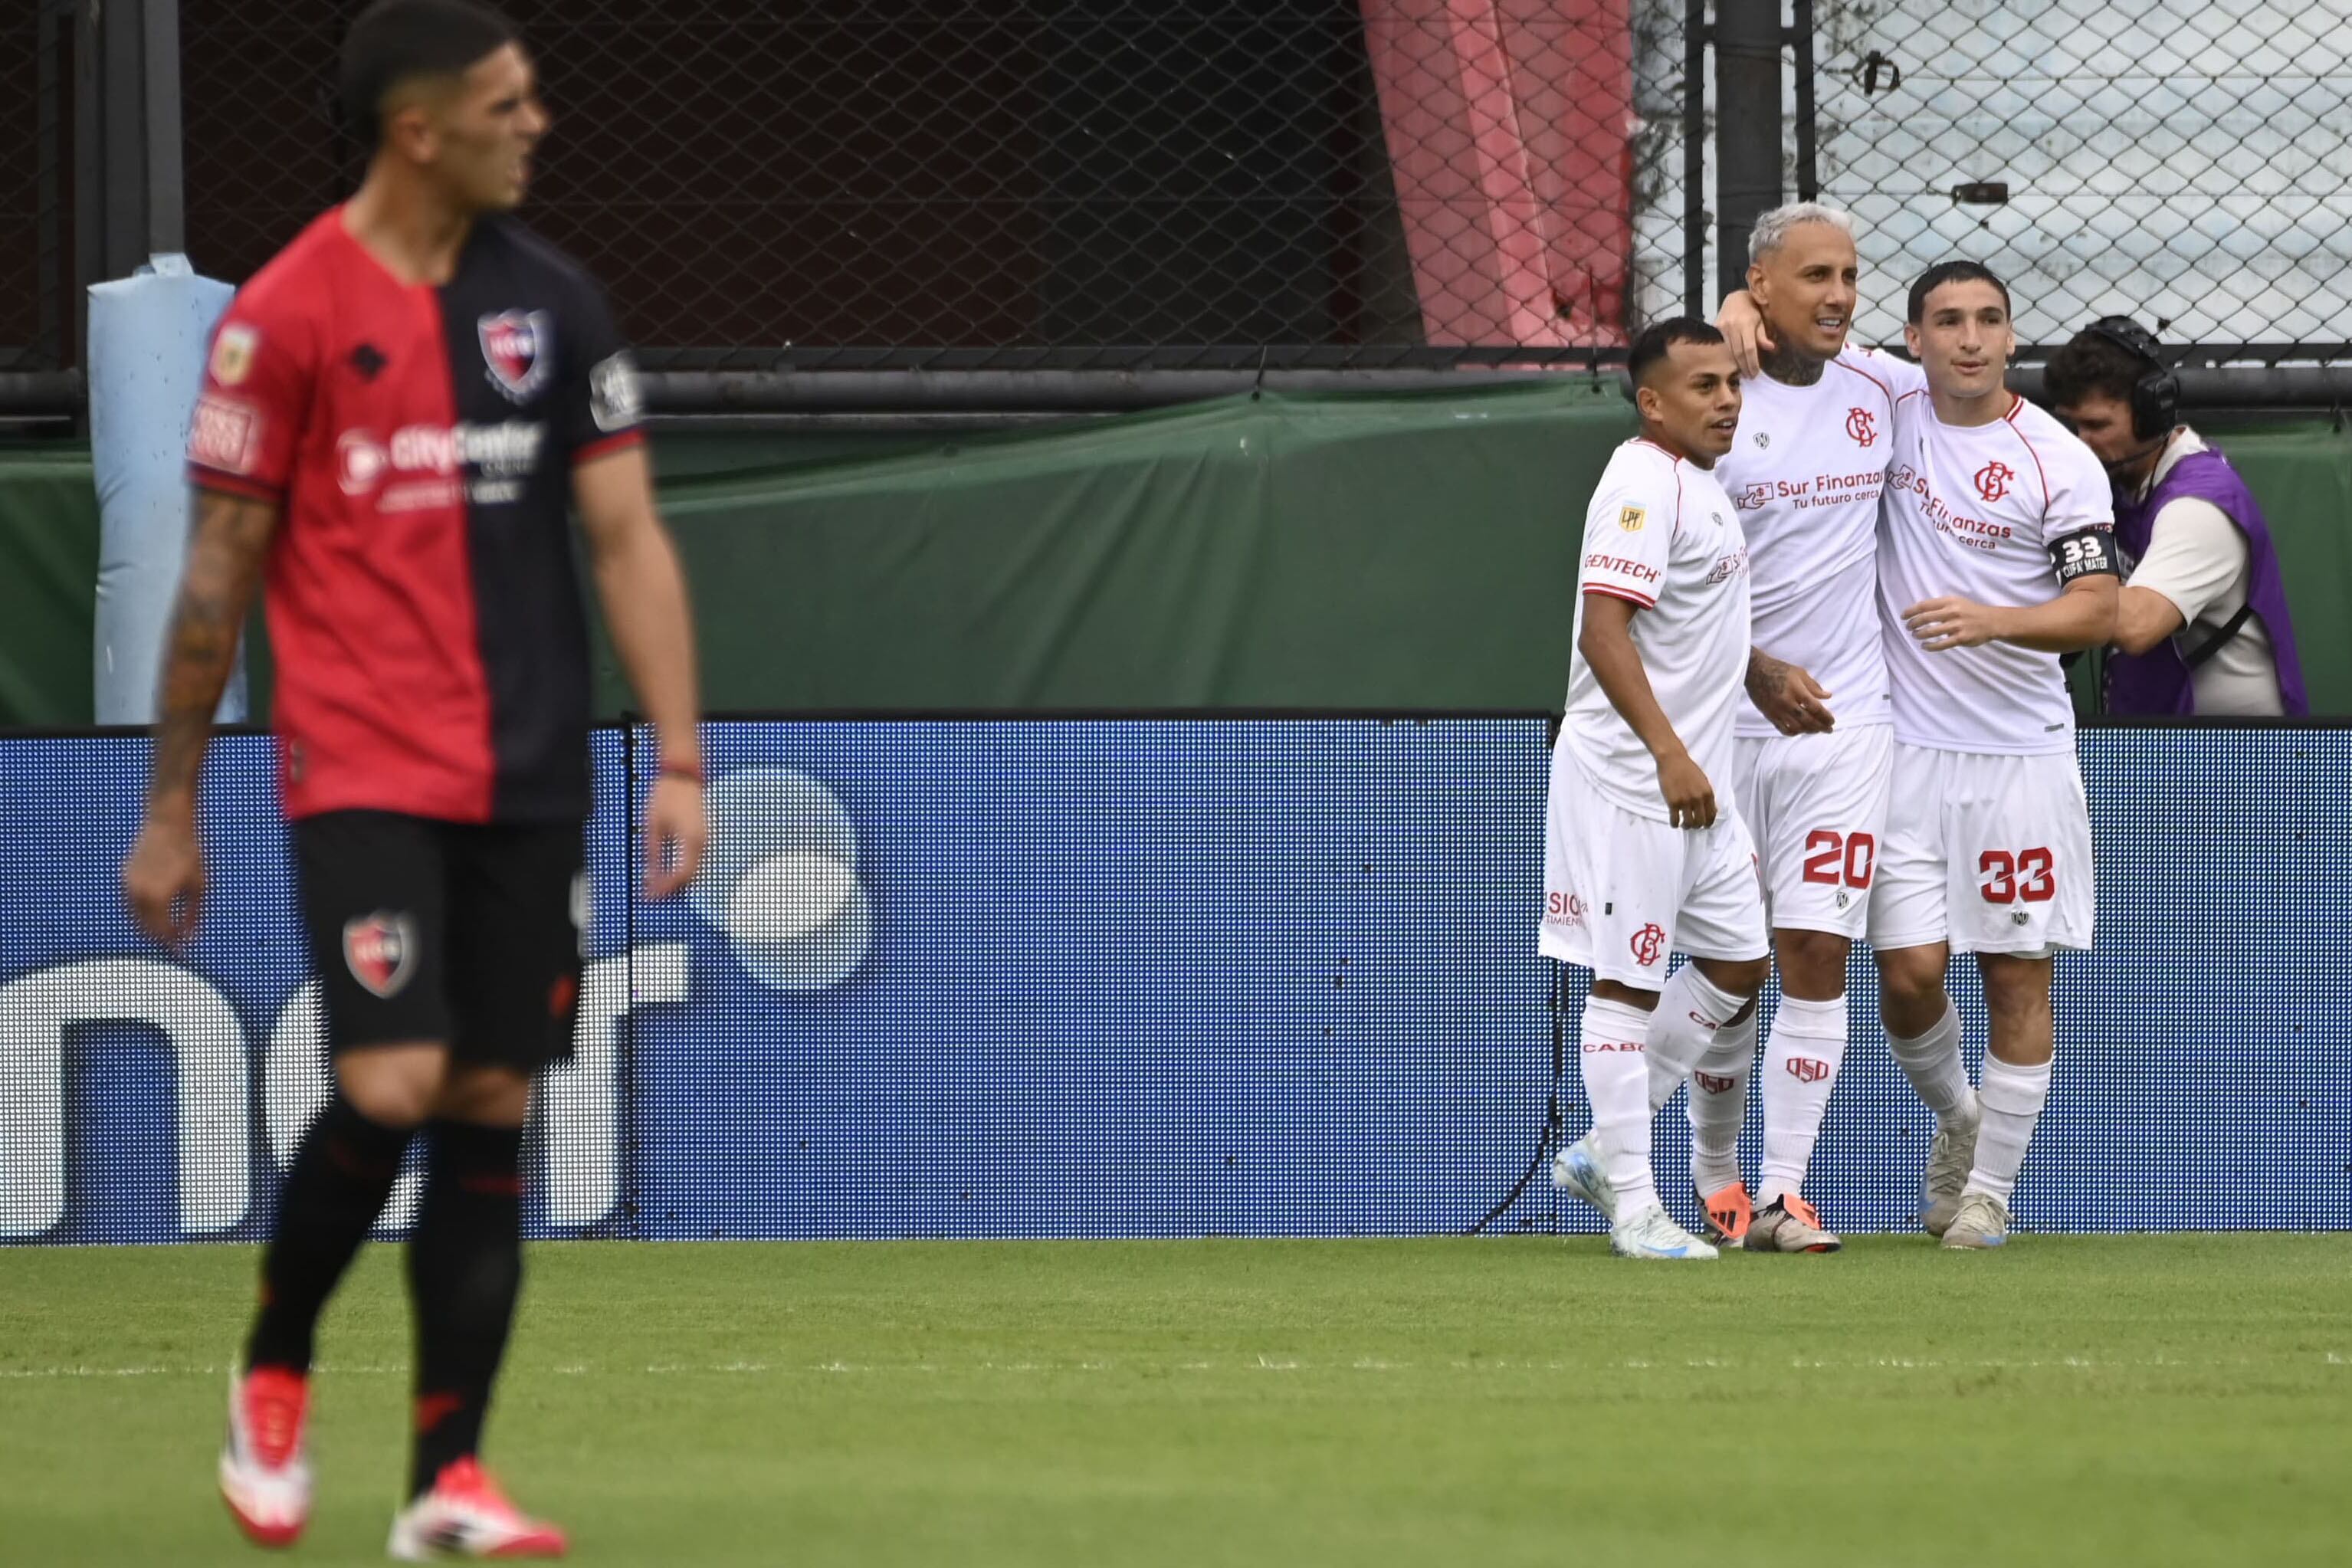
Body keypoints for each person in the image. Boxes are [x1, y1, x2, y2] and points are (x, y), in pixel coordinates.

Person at [120, 1, 707, 1555]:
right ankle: (271, 1368)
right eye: (508, 105)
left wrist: (686, 759)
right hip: (363, 770)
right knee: (391, 1079)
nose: (540, 126)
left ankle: (447, 1479)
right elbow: (217, 572)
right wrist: (172, 803)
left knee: (493, 1107)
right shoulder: (289, 318)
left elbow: (628, 538)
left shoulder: (555, 307)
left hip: (532, 779)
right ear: (418, 131)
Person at [1866, 262, 2118, 1248]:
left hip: (2019, 760)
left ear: (2012, 337)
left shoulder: (2058, 459)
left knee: (2017, 974)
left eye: (1988, 321)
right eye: (1947, 321)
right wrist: (1733, 304)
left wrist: (1993, 622)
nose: (1969, 338)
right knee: (1908, 973)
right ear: (1914, 337)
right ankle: (1961, 1121)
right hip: (1905, 755)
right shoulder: (1882, 405)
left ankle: (1989, 1196)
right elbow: (1777, 320)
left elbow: (2095, 611)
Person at [1674, 202, 1906, 1255]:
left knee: (1817, 944)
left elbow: (1978, 390)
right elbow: (1666, 578)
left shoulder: (1882, 386)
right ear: (1759, 286)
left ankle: (1782, 1189)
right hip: (1722, 723)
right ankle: (1709, 1174)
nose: (1839, 295)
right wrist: (1754, 667)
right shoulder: (1711, 400)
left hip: (1846, 724)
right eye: (1814, 275)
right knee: (1731, 961)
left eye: (1849, 276)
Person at [1539, 319, 1771, 1261]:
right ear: (1653, 402)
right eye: (1703, 387)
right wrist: (1672, 754)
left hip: (1694, 782)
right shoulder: (1639, 480)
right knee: (1625, 984)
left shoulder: (1698, 486)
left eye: (1730, 383)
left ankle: (1606, 1147)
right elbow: (1606, 633)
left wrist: (1763, 676)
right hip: (1636, 779)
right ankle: (1635, 1206)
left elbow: (1692, 631)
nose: (1725, 400)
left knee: (1740, 964)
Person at [2042, 317, 2308, 717]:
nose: (2081, 443)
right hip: (2162, 733)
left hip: (2239, 755)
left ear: (2152, 415)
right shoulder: (2113, 481)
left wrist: (2004, 615)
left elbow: (2138, 626)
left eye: (2097, 425)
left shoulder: (2198, 506)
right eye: (2071, 424)